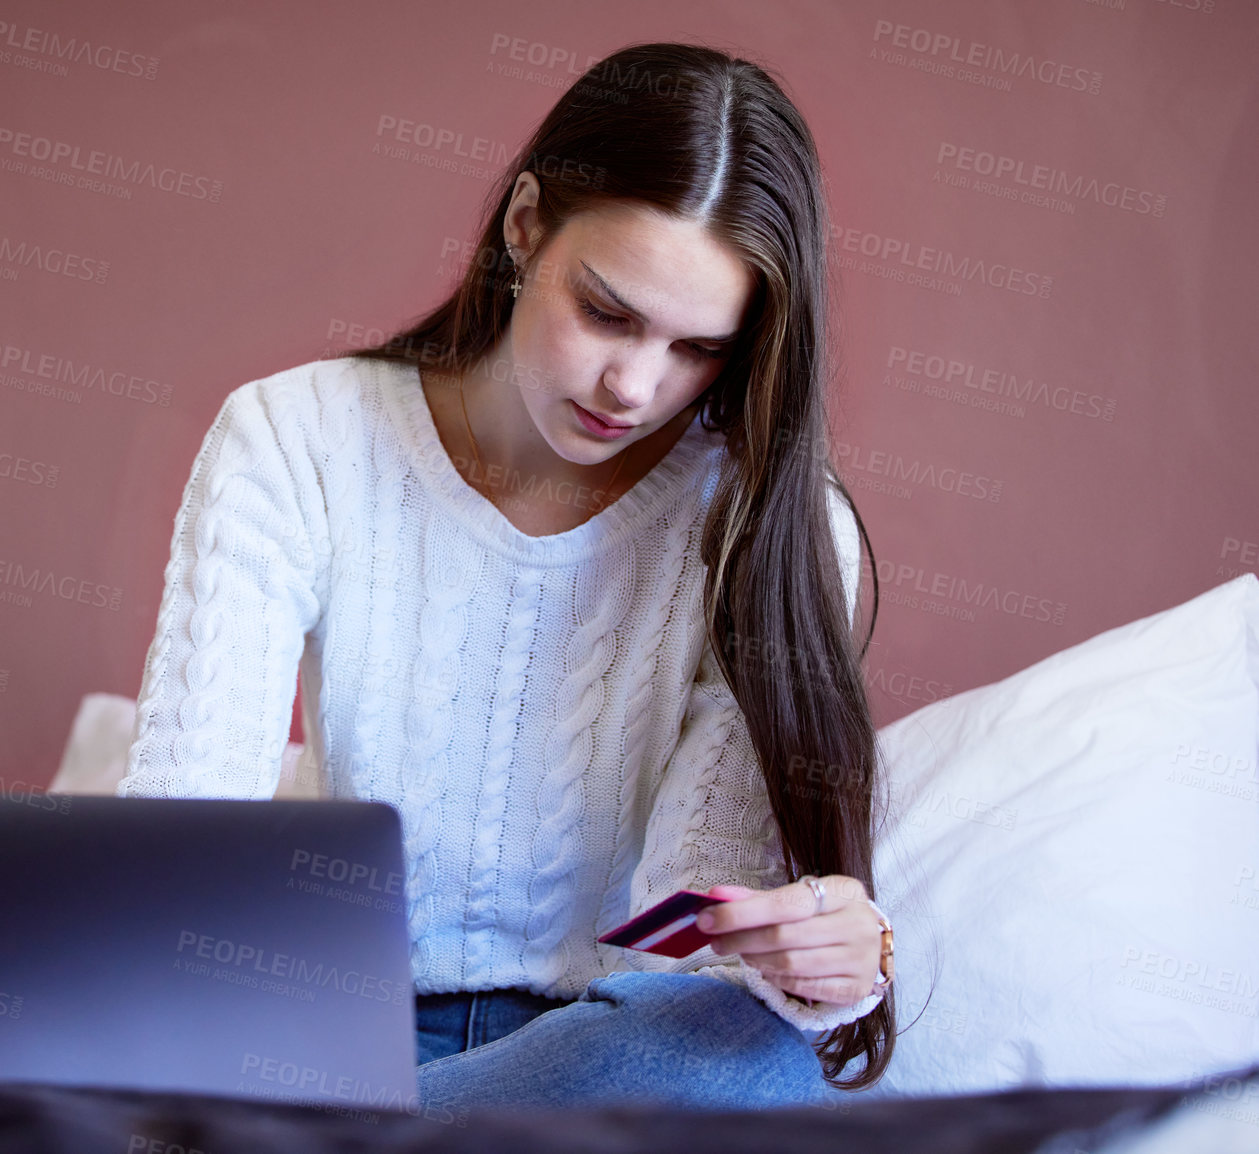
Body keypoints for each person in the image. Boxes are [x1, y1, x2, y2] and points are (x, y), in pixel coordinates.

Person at [116, 41, 896, 1110]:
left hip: (599, 1050)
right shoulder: (296, 439)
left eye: (698, 348)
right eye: (607, 311)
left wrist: (821, 965)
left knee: (752, 1063)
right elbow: (180, 830)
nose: (635, 384)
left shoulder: (775, 522)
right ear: (525, 224)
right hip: (341, 1028)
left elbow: (694, 936)